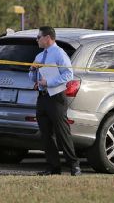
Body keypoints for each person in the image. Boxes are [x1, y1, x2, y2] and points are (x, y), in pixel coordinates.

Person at [29, 26, 81, 176]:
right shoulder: (39, 56)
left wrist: (49, 82)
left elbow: (68, 74)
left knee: (62, 133)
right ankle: (53, 167)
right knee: (45, 134)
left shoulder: (59, 53)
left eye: (38, 37)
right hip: (42, 98)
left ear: (47, 38)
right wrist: (33, 71)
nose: (36, 40)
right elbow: (32, 77)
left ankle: (74, 166)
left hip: (56, 97)